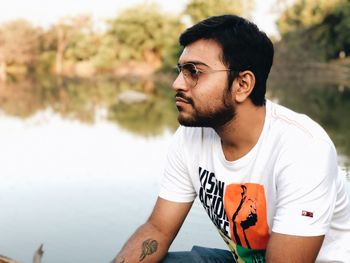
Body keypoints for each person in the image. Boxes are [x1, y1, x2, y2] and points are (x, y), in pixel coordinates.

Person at [114, 15, 350, 263]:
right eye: (180, 70)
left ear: (242, 84)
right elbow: (158, 230)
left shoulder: (304, 150)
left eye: (193, 72)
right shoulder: (190, 137)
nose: (176, 84)